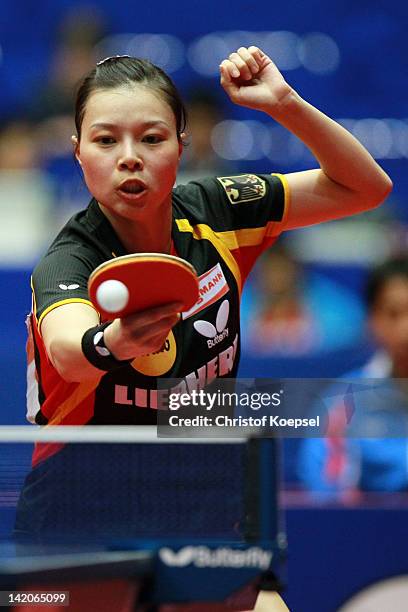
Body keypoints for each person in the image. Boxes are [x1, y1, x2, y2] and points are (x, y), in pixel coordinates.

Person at [15, 46, 391, 608]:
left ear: (181, 146)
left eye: (151, 137)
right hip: (82, 501)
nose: (129, 157)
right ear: (77, 151)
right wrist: (114, 342)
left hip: (202, 492)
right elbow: (70, 350)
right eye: (105, 140)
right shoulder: (68, 260)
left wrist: (285, 105)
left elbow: (366, 188)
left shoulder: (220, 212)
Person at [297, 256, 408, 498]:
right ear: (372, 320)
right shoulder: (342, 401)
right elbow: (328, 493)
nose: (405, 331)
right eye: (393, 314)